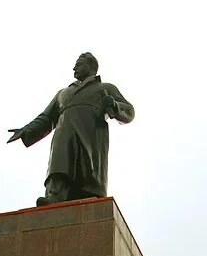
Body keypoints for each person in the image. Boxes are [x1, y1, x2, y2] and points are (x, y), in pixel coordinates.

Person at [8, 52, 134, 206]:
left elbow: (129, 111)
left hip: (90, 134)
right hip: (64, 133)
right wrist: (26, 130)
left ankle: (89, 195)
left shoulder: (105, 87)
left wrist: (115, 105)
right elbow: (46, 117)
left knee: (87, 171)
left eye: (79, 64)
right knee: (60, 161)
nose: (74, 68)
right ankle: (54, 194)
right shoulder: (63, 93)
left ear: (91, 65)